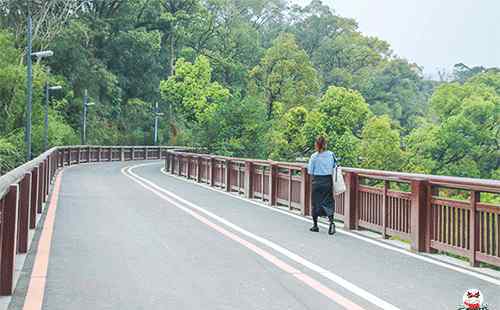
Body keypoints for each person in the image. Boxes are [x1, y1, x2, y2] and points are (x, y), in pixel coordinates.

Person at [307, 136, 337, 235]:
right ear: (325, 144)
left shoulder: (314, 156)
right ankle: (331, 223)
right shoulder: (331, 155)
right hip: (328, 181)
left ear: (316, 145)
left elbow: (310, 171)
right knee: (328, 202)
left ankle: (315, 225)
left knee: (316, 203)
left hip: (317, 181)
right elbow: (335, 167)